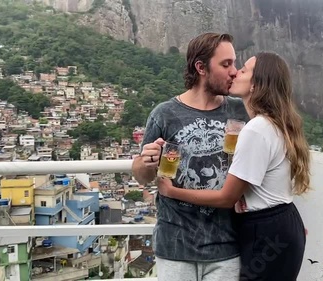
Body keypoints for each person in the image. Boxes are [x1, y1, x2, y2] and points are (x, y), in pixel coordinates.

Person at [157, 52, 310, 281]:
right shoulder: (272, 123)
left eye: (244, 70)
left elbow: (226, 198)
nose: (236, 72)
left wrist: (171, 191)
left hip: (266, 230)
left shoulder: (256, 129)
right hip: (279, 224)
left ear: (256, 85)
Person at [131, 32, 249, 281]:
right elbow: (142, 176)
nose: (234, 72)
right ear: (201, 67)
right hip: (175, 246)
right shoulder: (165, 114)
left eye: (235, 63)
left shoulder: (240, 111)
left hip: (227, 246)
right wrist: (147, 161)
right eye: (226, 64)